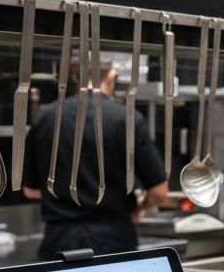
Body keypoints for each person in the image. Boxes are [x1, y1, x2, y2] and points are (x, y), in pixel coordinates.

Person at [23, 61, 169, 260]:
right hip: (112, 238)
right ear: (111, 77)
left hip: (59, 238)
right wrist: (141, 207)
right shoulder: (126, 119)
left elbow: (30, 191)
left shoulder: (44, 117)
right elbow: (159, 192)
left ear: (75, 79)